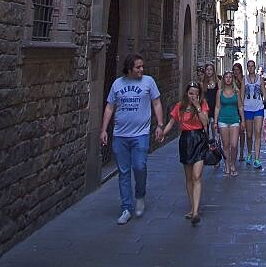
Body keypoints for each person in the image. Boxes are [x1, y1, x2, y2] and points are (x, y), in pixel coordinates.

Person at [100, 53, 164, 224]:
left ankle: (140, 194)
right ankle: (126, 208)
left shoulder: (148, 82)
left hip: (141, 134)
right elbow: (109, 107)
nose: (141, 70)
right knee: (124, 172)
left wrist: (160, 125)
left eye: (142, 66)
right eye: (138, 67)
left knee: (140, 166)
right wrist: (104, 129)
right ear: (129, 68)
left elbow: (156, 103)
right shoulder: (117, 84)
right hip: (120, 135)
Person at [161, 80, 210, 225]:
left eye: (196, 94)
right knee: (189, 177)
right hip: (186, 140)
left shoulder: (202, 105)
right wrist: (163, 133)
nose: (193, 96)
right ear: (186, 93)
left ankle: (195, 212)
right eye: (190, 93)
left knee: (197, 175)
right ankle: (192, 207)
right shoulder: (180, 106)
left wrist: (197, 107)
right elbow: (171, 122)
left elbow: (205, 123)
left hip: (199, 139)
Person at [213, 69, 245, 174]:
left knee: (234, 144)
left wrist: (243, 120)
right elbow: (217, 107)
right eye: (226, 77)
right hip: (223, 120)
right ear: (223, 79)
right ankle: (226, 165)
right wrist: (215, 121)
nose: (228, 79)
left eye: (230, 77)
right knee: (225, 145)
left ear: (232, 79)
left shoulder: (237, 91)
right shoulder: (219, 92)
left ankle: (233, 163)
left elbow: (240, 106)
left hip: (234, 119)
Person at [242, 59, 266, 168]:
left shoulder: (260, 79)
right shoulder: (244, 80)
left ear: (255, 67)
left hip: (259, 108)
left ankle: (257, 158)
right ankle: (249, 153)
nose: (251, 68)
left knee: (258, 133)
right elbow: (242, 95)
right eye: (249, 66)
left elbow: (264, 94)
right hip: (247, 109)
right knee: (249, 135)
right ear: (247, 68)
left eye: (252, 66)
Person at [232, 61, 246, 161]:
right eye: (234, 70)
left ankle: (241, 152)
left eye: (237, 70)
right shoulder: (231, 80)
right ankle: (235, 150)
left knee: (242, 131)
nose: (236, 72)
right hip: (233, 107)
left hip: (242, 107)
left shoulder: (244, 80)